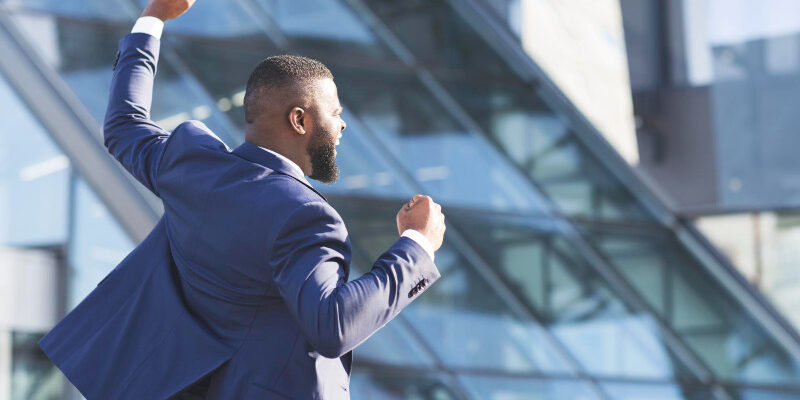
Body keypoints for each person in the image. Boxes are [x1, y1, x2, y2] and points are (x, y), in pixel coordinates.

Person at [37, 0, 446, 398]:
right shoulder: (305, 217)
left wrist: (152, 18)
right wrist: (416, 244)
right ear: (299, 119)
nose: (341, 125)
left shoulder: (192, 166)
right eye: (334, 112)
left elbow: (125, 125)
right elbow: (333, 323)